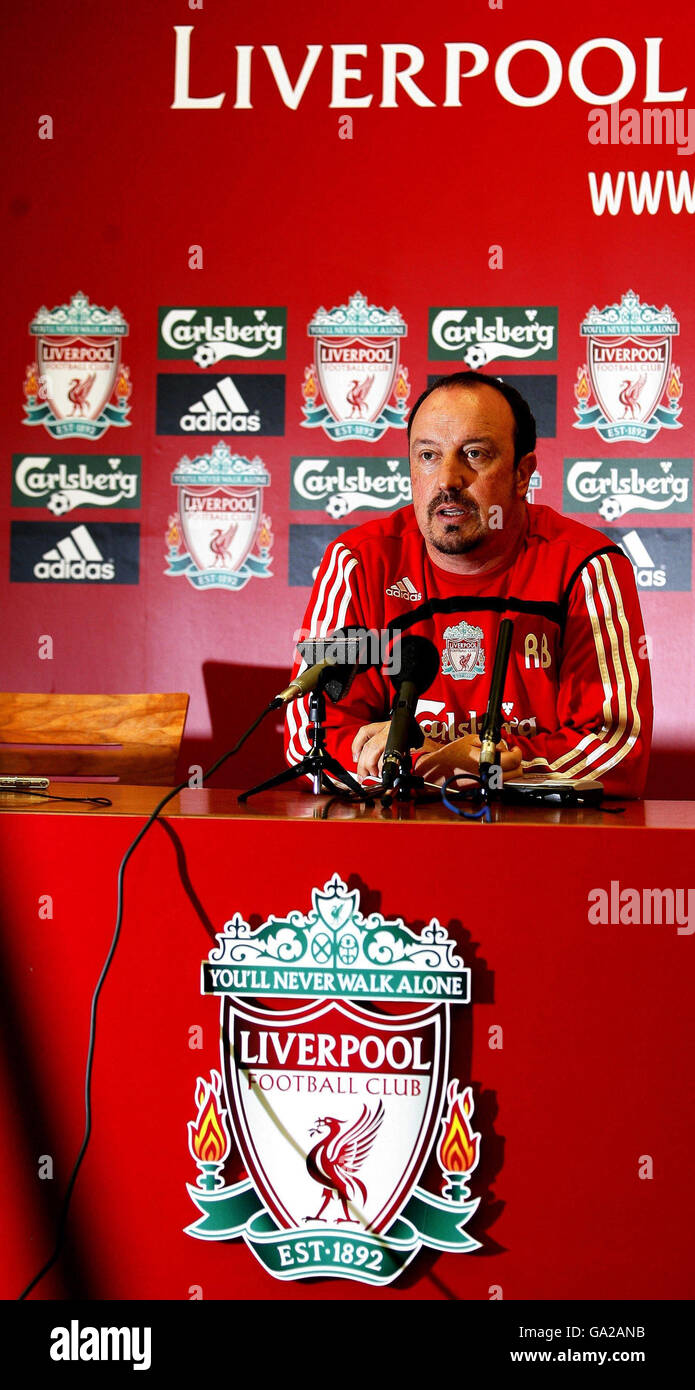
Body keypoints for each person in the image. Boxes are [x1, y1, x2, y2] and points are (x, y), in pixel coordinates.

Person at [285, 371, 653, 796]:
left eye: (474, 454)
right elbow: (308, 740)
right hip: (398, 838)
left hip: (544, 842)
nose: (446, 480)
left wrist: (480, 766)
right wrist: (427, 762)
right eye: (427, 455)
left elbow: (617, 747)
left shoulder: (585, 565)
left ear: (522, 472)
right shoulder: (359, 563)